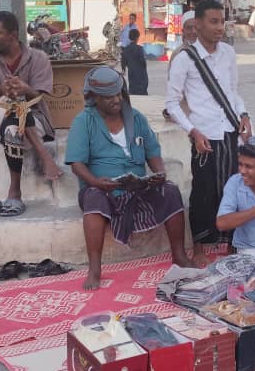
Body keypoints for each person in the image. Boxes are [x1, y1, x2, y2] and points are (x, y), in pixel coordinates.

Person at [65, 67, 194, 289]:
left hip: (136, 187)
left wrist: (158, 174)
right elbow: (77, 164)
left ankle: (179, 256)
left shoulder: (136, 118)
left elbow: (152, 152)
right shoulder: (83, 121)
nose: (116, 100)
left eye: (119, 94)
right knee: (94, 199)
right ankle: (95, 269)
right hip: (100, 187)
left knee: (171, 191)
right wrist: (95, 182)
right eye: (109, 97)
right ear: (94, 98)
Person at [165, 0, 252, 266]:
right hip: (204, 135)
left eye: (221, 21)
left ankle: (231, 243)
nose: (219, 27)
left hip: (230, 131)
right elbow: (171, 103)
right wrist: (193, 131)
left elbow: (232, 92)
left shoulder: (228, 53)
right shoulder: (184, 59)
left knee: (234, 188)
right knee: (203, 191)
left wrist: (244, 114)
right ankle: (200, 248)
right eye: (213, 22)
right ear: (198, 25)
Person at [0, 10, 62, 215]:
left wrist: (25, 89)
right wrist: (3, 89)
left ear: (13, 36)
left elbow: (40, 95)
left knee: (17, 115)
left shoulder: (39, 58)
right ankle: (43, 160)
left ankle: (14, 193)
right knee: (12, 108)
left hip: (35, 116)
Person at [120, 28, 149, 95]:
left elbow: (123, 61)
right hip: (140, 73)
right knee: (142, 90)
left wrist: (124, 69)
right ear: (137, 38)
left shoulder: (126, 49)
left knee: (133, 90)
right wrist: (144, 68)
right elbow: (143, 61)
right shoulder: (139, 49)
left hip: (131, 72)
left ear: (129, 38)